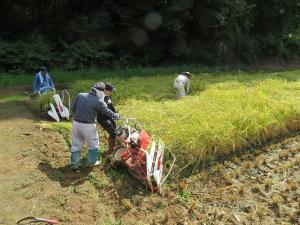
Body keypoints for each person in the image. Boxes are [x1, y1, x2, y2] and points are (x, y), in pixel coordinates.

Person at [70, 82, 120, 170]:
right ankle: (91, 162)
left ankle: (74, 164)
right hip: (88, 125)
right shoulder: (99, 101)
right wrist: (116, 115)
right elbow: (107, 112)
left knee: (76, 144)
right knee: (93, 144)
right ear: (100, 92)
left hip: (76, 123)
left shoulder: (80, 95)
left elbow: (73, 108)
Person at [97, 82, 117, 154]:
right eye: (110, 91)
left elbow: (111, 106)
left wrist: (116, 113)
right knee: (113, 133)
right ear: (105, 90)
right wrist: (113, 115)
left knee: (115, 129)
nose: (111, 92)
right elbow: (104, 111)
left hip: (109, 116)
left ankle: (113, 147)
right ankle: (110, 151)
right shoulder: (101, 98)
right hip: (102, 118)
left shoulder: (108, 97)